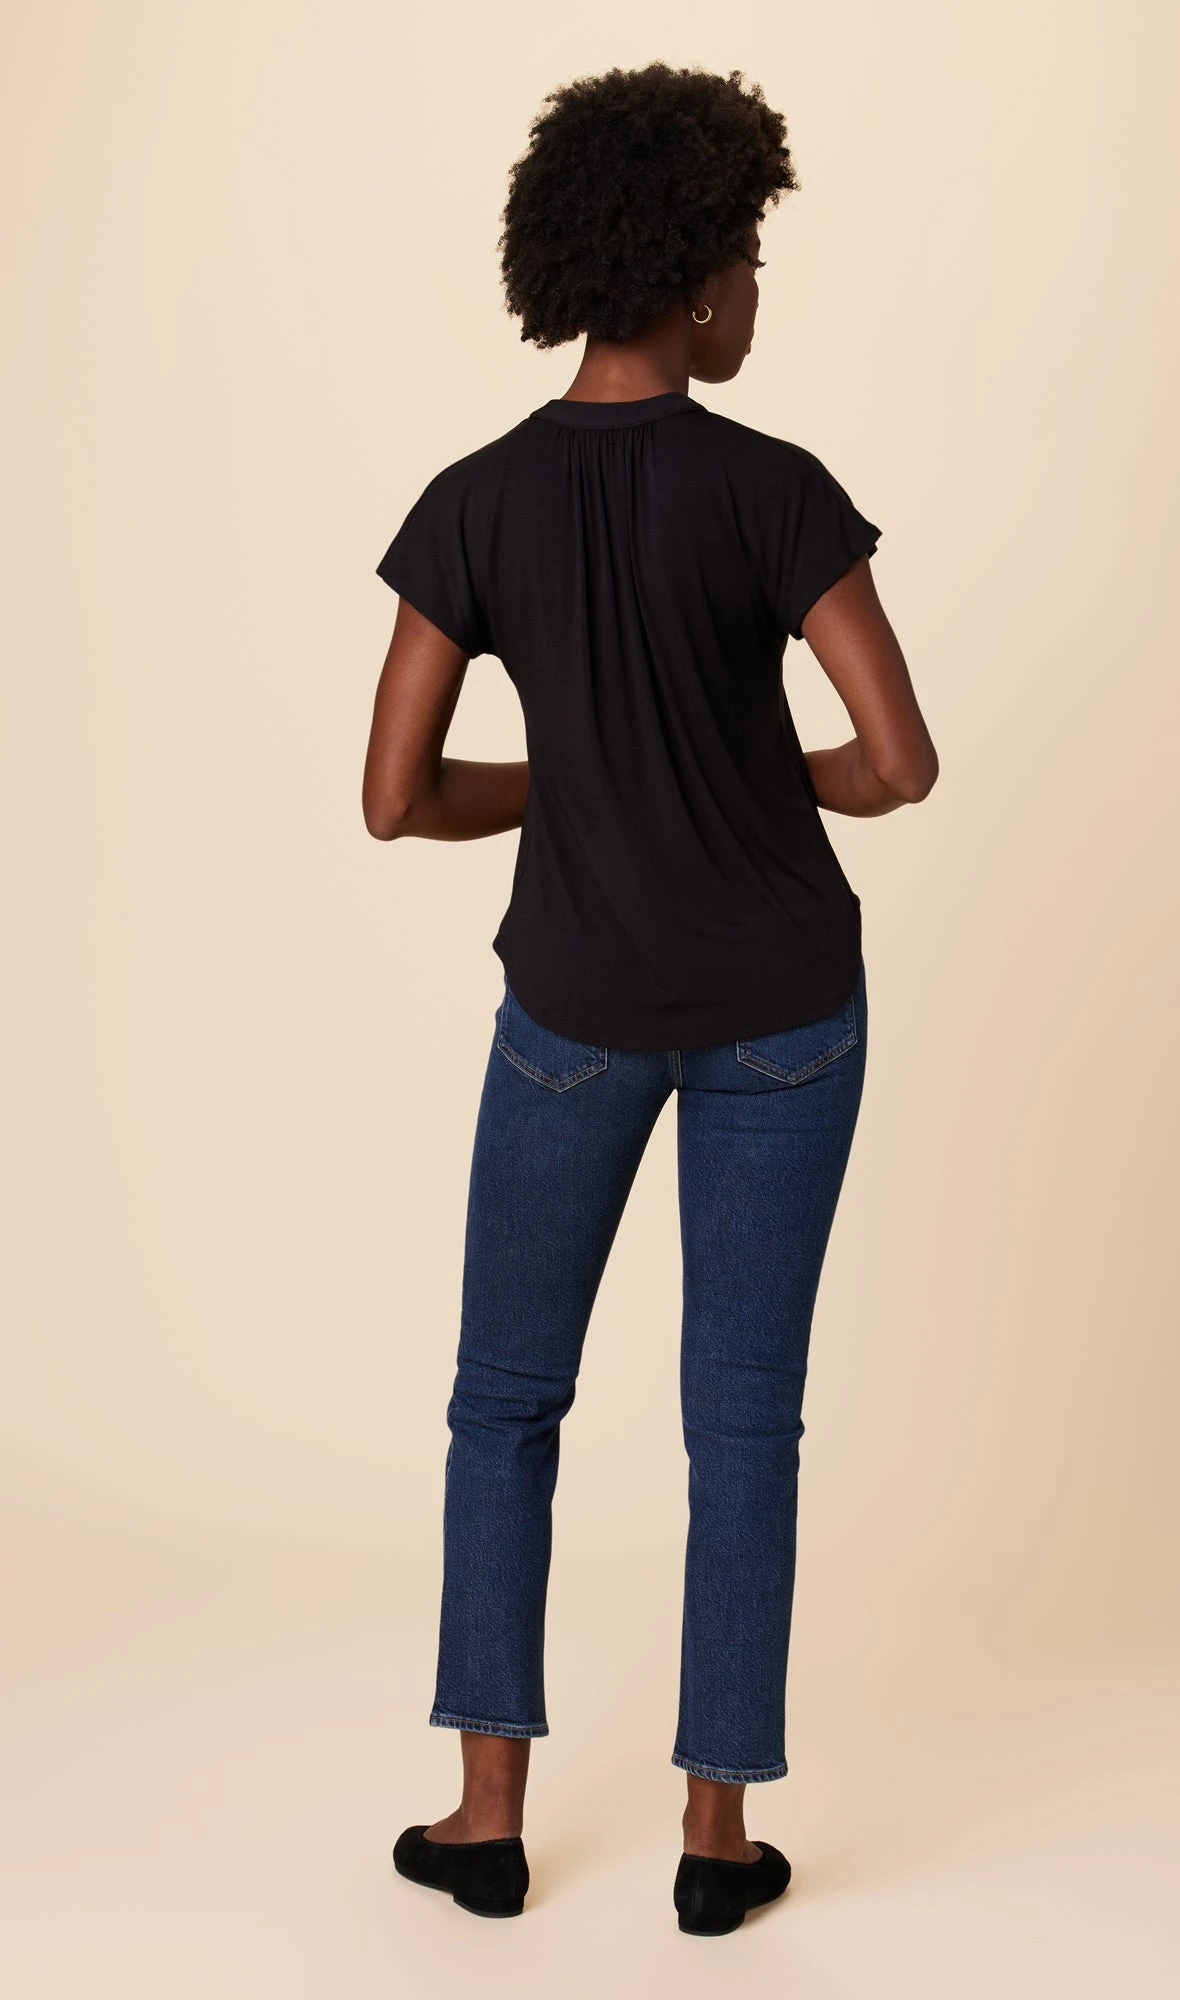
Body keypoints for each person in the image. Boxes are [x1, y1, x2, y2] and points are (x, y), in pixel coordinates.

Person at [363, 60, 938, 1935]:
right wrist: (743, 775)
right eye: (747, 259)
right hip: (786, 1011)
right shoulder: (775, 491)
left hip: (571, 1014)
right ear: (694, 279)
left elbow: (393, 798)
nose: (754, 294)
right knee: (741, 1422)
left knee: (503, 1403)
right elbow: (898, 763)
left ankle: (484, 1820)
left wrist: (585, 780)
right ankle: (713, 1841)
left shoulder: (472, 502)